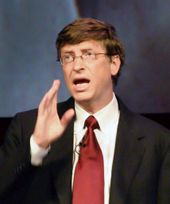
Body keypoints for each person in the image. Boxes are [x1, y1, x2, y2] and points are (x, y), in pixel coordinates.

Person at [0, 17, 170, 204]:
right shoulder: (28, 127)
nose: (77, 66)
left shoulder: (158, 141)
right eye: (68, 57)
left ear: (114, 64)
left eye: (88, 54)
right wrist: (37, 147)